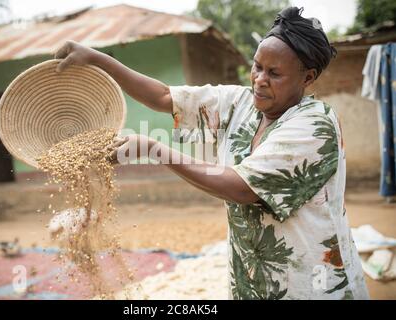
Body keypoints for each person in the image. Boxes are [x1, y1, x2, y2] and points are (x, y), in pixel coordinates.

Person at [54, 7, 369, 300]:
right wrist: (97, 59)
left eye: (274, 74)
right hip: (253, 279)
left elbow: (242, 187)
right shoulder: (240, 103)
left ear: (308, 77)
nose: (260, 79)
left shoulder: (315, 125)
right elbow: (165, 96)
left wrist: (154, 149)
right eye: (257, 67)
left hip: (310, 282)